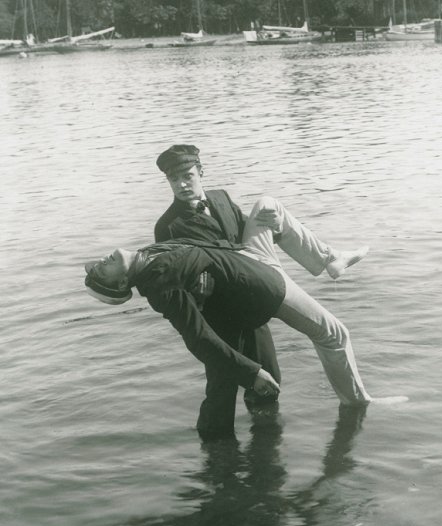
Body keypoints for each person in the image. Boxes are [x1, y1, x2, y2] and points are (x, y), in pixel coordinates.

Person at [84, 195, 372, 438]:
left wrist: (273, 230)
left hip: (250, 253)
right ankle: (357, 405)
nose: (100, 262)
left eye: (95, 265)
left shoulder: (146, 254)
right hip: (261, 282)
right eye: (100, 271)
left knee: (267, 205)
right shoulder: (159, 283)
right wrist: (251, 372)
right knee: (335, 335)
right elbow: (198, 337)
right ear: (122, 284)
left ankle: (330, 259)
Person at [153, 144, 368, 438]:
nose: (181, 184)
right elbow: (178, 282)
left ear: (201, 172)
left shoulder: (221, 198)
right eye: (174, 179)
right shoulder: (168, 227)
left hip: (254, 300)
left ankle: (265, 449)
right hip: (222, 316)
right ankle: (217, 456)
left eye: (187, 176)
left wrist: (276, 227)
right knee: (221, 393)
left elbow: (249, 236)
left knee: (270, 384)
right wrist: (197, 285)